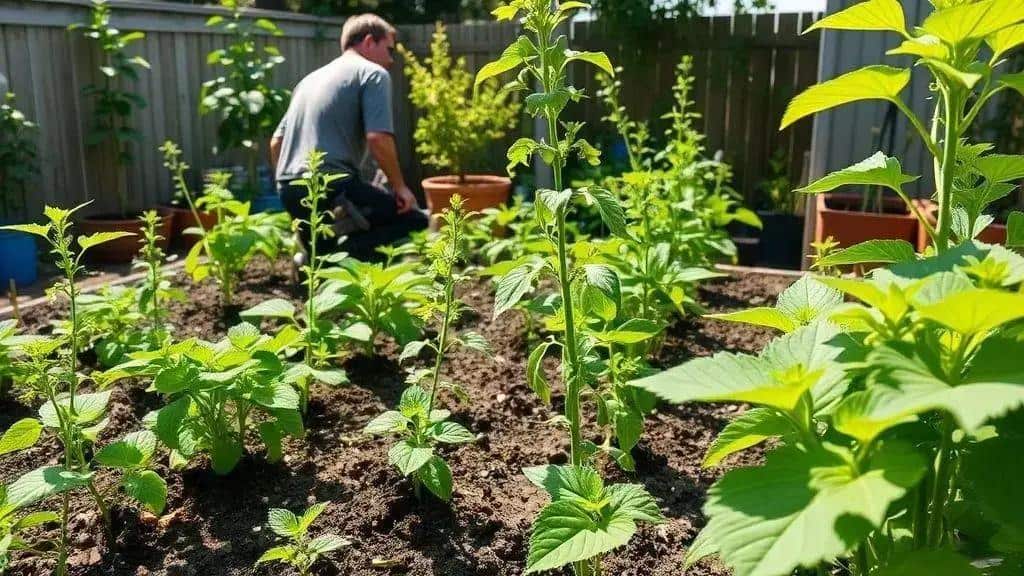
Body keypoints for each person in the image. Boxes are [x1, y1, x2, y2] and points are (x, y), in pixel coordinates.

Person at [269, 13, 427, 262]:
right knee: (415, 220)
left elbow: (276, 142)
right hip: (332, 187)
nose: (391, 60)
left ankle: (315, 256)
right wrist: (400, 187)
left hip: (289, 189)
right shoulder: (372, 74)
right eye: (389, 49)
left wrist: (291, 187)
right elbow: (377, 139)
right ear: (368, 42)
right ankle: (339, 257)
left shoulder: (308, 80)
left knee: (321, 253)